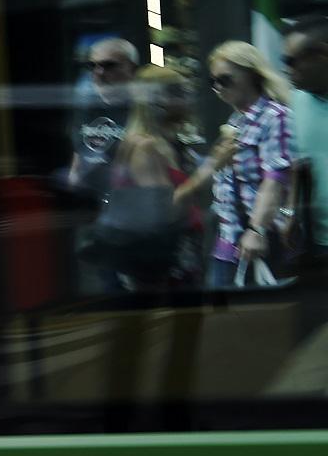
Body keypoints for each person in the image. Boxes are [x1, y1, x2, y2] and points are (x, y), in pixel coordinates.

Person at [178, 40, 291, 288]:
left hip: (259, 240)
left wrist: (257, 230)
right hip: (229, 238)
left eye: (225, 79)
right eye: (213, 82)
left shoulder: (274, 117)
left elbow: (275, 181)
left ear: (251, 75)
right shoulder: (236, 121)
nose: (218, 88)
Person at [81, 65, 201, 291]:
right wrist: (212, 167)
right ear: (156, 100)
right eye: (178, 92)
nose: (188, 98)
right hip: (156, 263)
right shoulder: (143, 146)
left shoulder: (173, 144)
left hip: (181, 250)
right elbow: (165, 209)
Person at [65, 36, 140, 201]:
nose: (99, 73)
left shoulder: (143, 109)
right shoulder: (86, 107)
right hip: (89, 201)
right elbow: (79, 151)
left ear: (132, 69)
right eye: (92, 66)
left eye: (109, 65)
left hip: (129, 201)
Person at [283, 15, 328, 259]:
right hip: (319, 244)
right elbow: (299, 164)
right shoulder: (297, 102)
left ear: (321, 54)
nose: (286, 69)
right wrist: (291, 212)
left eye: (291, 61)